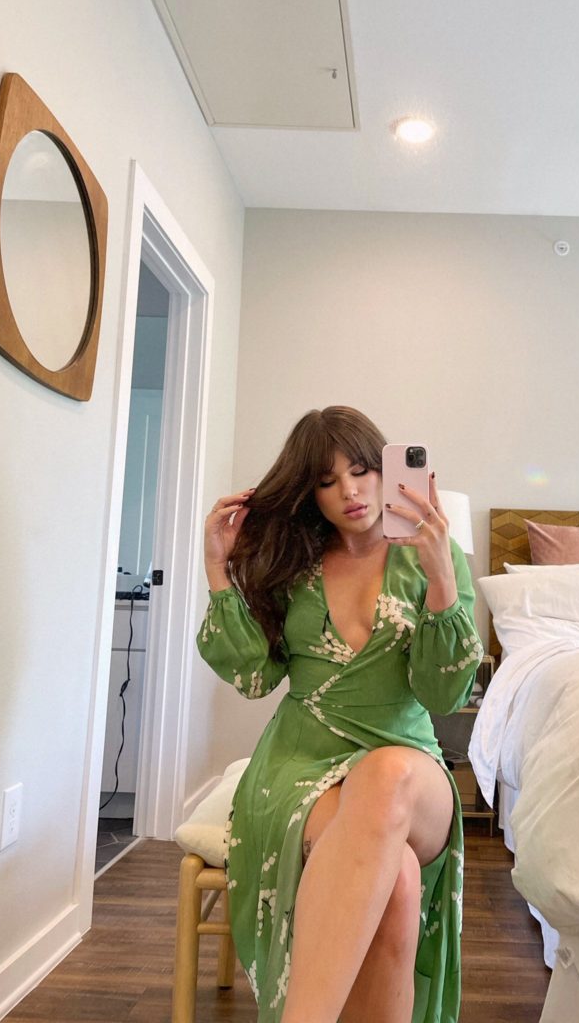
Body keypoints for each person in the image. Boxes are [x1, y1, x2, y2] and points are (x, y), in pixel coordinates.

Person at [197, 406, 483, 1023]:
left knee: (385, 774)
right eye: (328, 481)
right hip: (302, 765)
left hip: (407, 764)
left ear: (387, 470)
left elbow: (444, 696)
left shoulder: (434, 556)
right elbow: (254, 677)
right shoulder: (293, 565)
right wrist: (218, 569)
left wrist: (440, 576)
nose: (350, 492)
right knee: (396, 880)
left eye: (361, 471)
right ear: (310, 493)